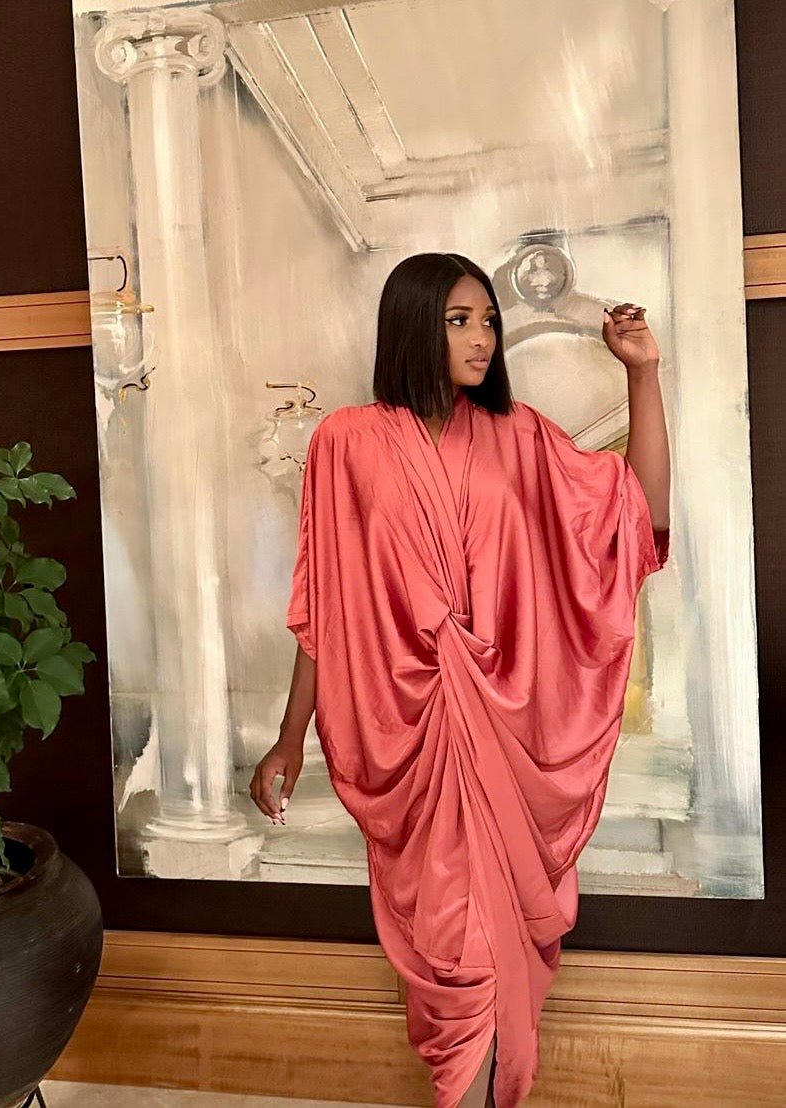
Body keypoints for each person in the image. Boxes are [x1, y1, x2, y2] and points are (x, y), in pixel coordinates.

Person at [249, 252, 671, 1107]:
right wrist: (290, 737)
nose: (482, 337)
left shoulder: (523, 436)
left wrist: (644, 374)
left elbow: (640, 517)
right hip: (407, 735)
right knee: (455, 952)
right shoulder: (344, 443)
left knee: (490, 952)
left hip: (507, 732)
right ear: (412, 325)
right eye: (459, 320)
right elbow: (326, 604)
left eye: (488, 320)